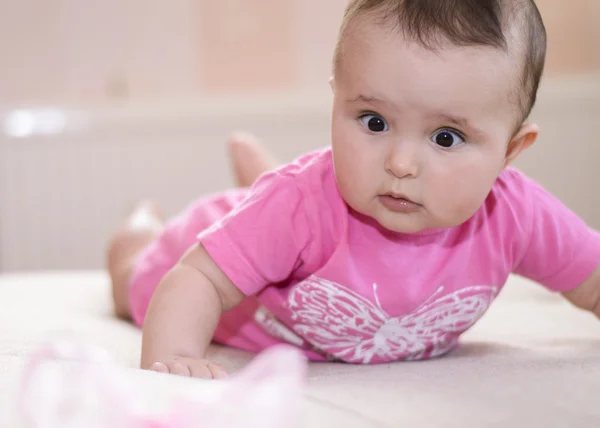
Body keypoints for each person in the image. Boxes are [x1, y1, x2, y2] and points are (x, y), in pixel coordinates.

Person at [107, 0, 600, 379]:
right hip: (226, 232)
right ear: (336, 99)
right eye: (374, 121)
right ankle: (142, 221)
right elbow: (198, 280)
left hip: (289, 224)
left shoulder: (513, 213)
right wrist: (174, 361)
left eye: (446, 137)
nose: (401, 164)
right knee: (135, 274)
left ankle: (259, 173)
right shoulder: (298, 205)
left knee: (285, 215)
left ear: (510, 152)